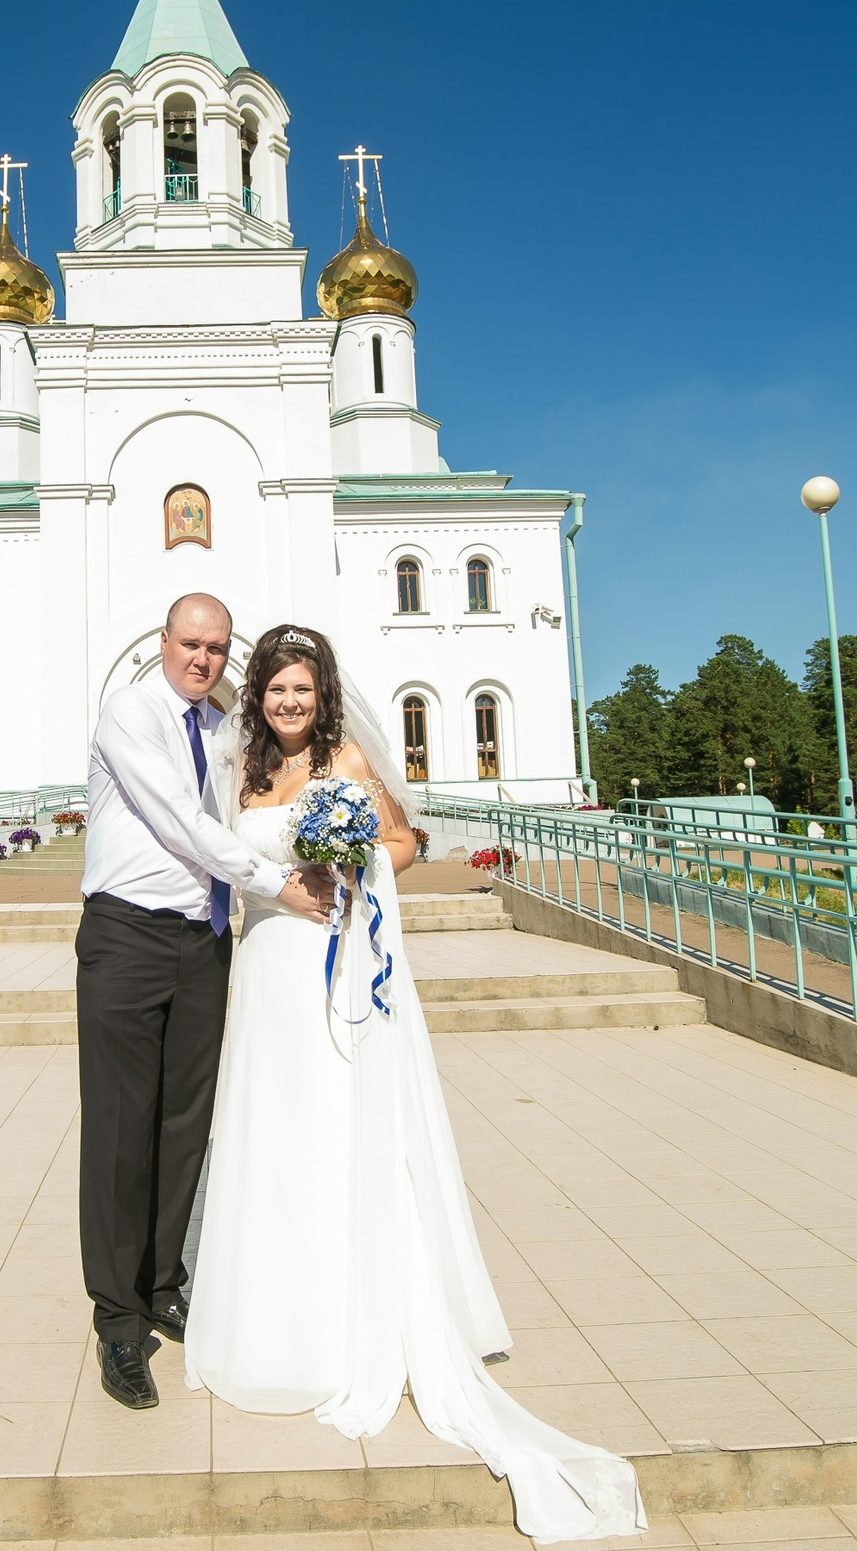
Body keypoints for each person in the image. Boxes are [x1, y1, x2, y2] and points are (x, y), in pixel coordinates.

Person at [182, 624, 648, 1543]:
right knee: (268, 1143)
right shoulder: (238, 772)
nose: (288, 706)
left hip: (324, 960)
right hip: (264, 969)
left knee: (327, 1132)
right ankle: (268, 1320)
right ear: (258, 696)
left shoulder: (345, 757)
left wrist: (347, 860)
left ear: (323, 698)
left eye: (302, 693)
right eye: (276, 692)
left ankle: (342, 1322)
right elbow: (225, 860)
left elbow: (405, 843)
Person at [77, 593, 336, 1412]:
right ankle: (119, 1323)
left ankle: (161, 1282)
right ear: (163, 642)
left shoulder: (222, 727)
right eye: (191, 644)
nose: (204, 659)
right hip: (127, 935)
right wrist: (275, 883)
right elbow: (183, 820)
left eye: (218, 648)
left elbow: (256, 795)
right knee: (122, 1126)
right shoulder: (131, 711)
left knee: (185, 1121)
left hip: (202, 941)